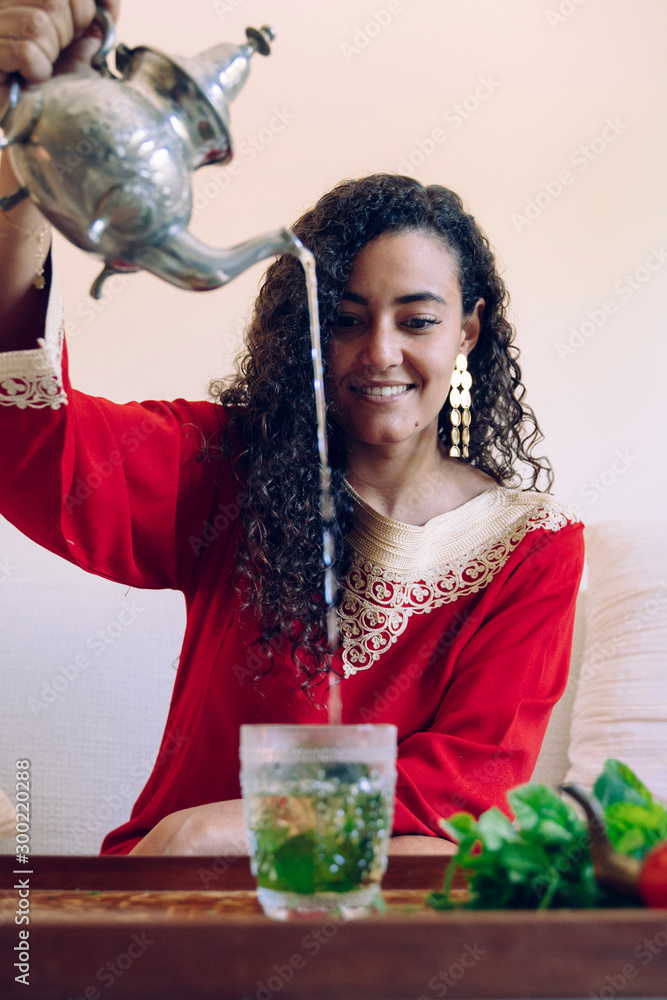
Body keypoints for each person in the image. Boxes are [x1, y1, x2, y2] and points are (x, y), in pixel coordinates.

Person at [0, 0, 583, 857]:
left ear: (467, 331)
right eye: (344, 318)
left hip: (382, 938)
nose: (378, 352)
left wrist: (216, 829)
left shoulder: (534, 548)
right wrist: (22, 165)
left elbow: (461, 793)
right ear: (306, 329)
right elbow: (36, 452)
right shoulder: (229, 470)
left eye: (416, 321)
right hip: (175, 918)